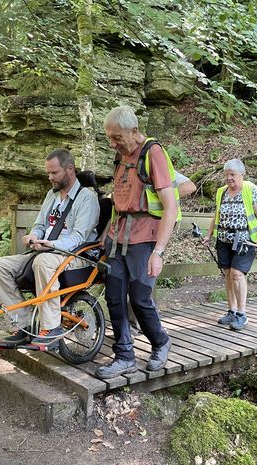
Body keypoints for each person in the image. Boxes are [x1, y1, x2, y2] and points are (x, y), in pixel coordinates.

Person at [96, 105, 178, 379]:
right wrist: (105, 234)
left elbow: (170, 207)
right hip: (118, 238)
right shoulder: (120, 157)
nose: (113, 143)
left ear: (134, 131)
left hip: (146, 239)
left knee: (140, 297)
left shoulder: (153, 153)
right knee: (114, 297)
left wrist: (159, 252)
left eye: (117, 137)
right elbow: (119, 203)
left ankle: (160, 342)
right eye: (110, 137)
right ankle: (124, 356)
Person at [0, 149, 99, 347]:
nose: (50, 177)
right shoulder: (52, 195)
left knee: (43, 261)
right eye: (48, 173)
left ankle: (51, 328)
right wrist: (34, 236)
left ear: (70, 169)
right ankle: (21, 326)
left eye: (54, 173)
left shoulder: (87, 199)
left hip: (75, 255)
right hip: (45, 251)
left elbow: (79, 237)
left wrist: (51, 245)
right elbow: (41, 226)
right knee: (0, 266)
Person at [127, 170, 195, 335]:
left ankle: (147, 325)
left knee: (144, 278)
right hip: (134, 231)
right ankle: (140, 322)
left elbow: (190, 186)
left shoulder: (162, 169)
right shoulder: (131, 169)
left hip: (154, 231)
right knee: (138, 277)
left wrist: (164, 196)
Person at [203, 159, 257, 331]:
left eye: (232, 174)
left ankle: (242, 314)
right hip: (223, 240)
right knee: (228, 274)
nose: (229, 178)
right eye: (226, 175)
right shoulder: (221, 192)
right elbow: (216, 215)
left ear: (242, 174)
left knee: (237, 274)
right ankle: (231, 311)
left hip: (245, 240)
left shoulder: (250, 189)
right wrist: (208, 235)